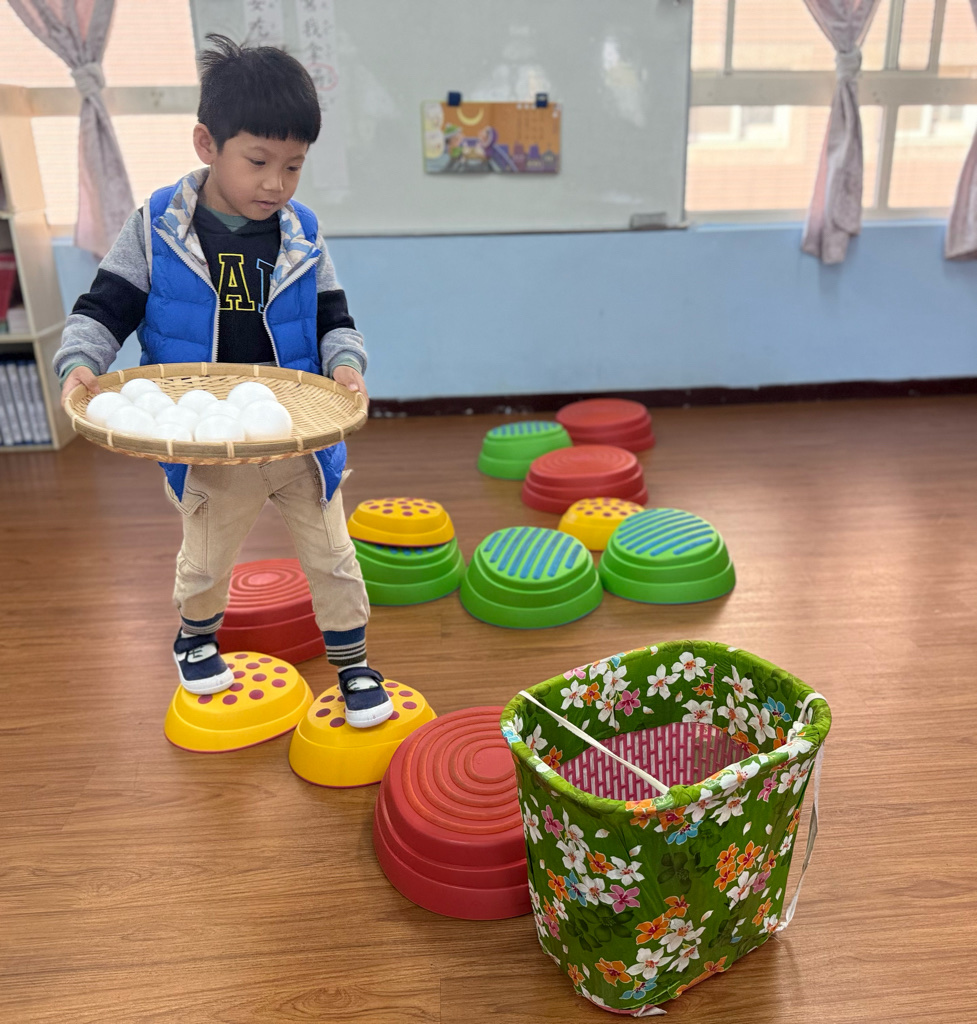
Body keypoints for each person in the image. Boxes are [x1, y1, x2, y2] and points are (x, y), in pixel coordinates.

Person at [54, 35, 393, 729]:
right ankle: (196, 637)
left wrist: (345, 365)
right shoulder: (157, 226)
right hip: (209, 435)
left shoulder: (301, 231)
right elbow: (106, 305)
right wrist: (80, 362)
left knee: (334, 556)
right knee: (208, 558)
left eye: (294, 166)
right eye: (259, 162)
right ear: (207, 143)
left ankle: (354, 663)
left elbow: (334, 316)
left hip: (299, 433)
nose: (276, 184)